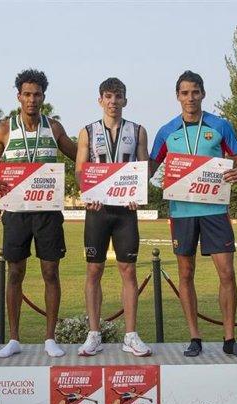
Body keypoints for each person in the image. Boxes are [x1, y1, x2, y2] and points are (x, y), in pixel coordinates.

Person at [149, 70, 237, 358]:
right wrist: (133, 188)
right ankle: (194, 337)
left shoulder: (220, 125)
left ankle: (229, 339)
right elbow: (150, 164)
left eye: (195, 92)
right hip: (182, 212)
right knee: (186, 272)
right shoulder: (166, 131)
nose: (190, 97)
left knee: (227, 273)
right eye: (184, 93)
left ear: (203, 94)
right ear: (177, 96)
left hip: (215, 210)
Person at [0, 69, 77, 359]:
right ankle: (14, 339)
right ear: (18, 97)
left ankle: (50, 338)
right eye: (27, 94)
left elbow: (79, 157)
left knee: (50, 271)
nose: (32, 99)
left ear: (44, 97)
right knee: (15, 272)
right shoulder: (4, 129)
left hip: (47, 212)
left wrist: (111, 176)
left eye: (37, 94)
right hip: (16, 211)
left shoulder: (55, 128)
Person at [76, 77, 151, 357]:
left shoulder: (138, 130)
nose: (113, 101)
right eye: (108, 96)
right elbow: (80, 169)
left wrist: (139, 193)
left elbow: (143, 167)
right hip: (98, 210)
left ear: (125, 100)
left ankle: (130, 335)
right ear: (100, 100)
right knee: (93, 270)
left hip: (125, 211)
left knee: (128, 271)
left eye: (118, 96)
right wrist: (87, 193)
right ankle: (93, 333)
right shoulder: (87, 132)